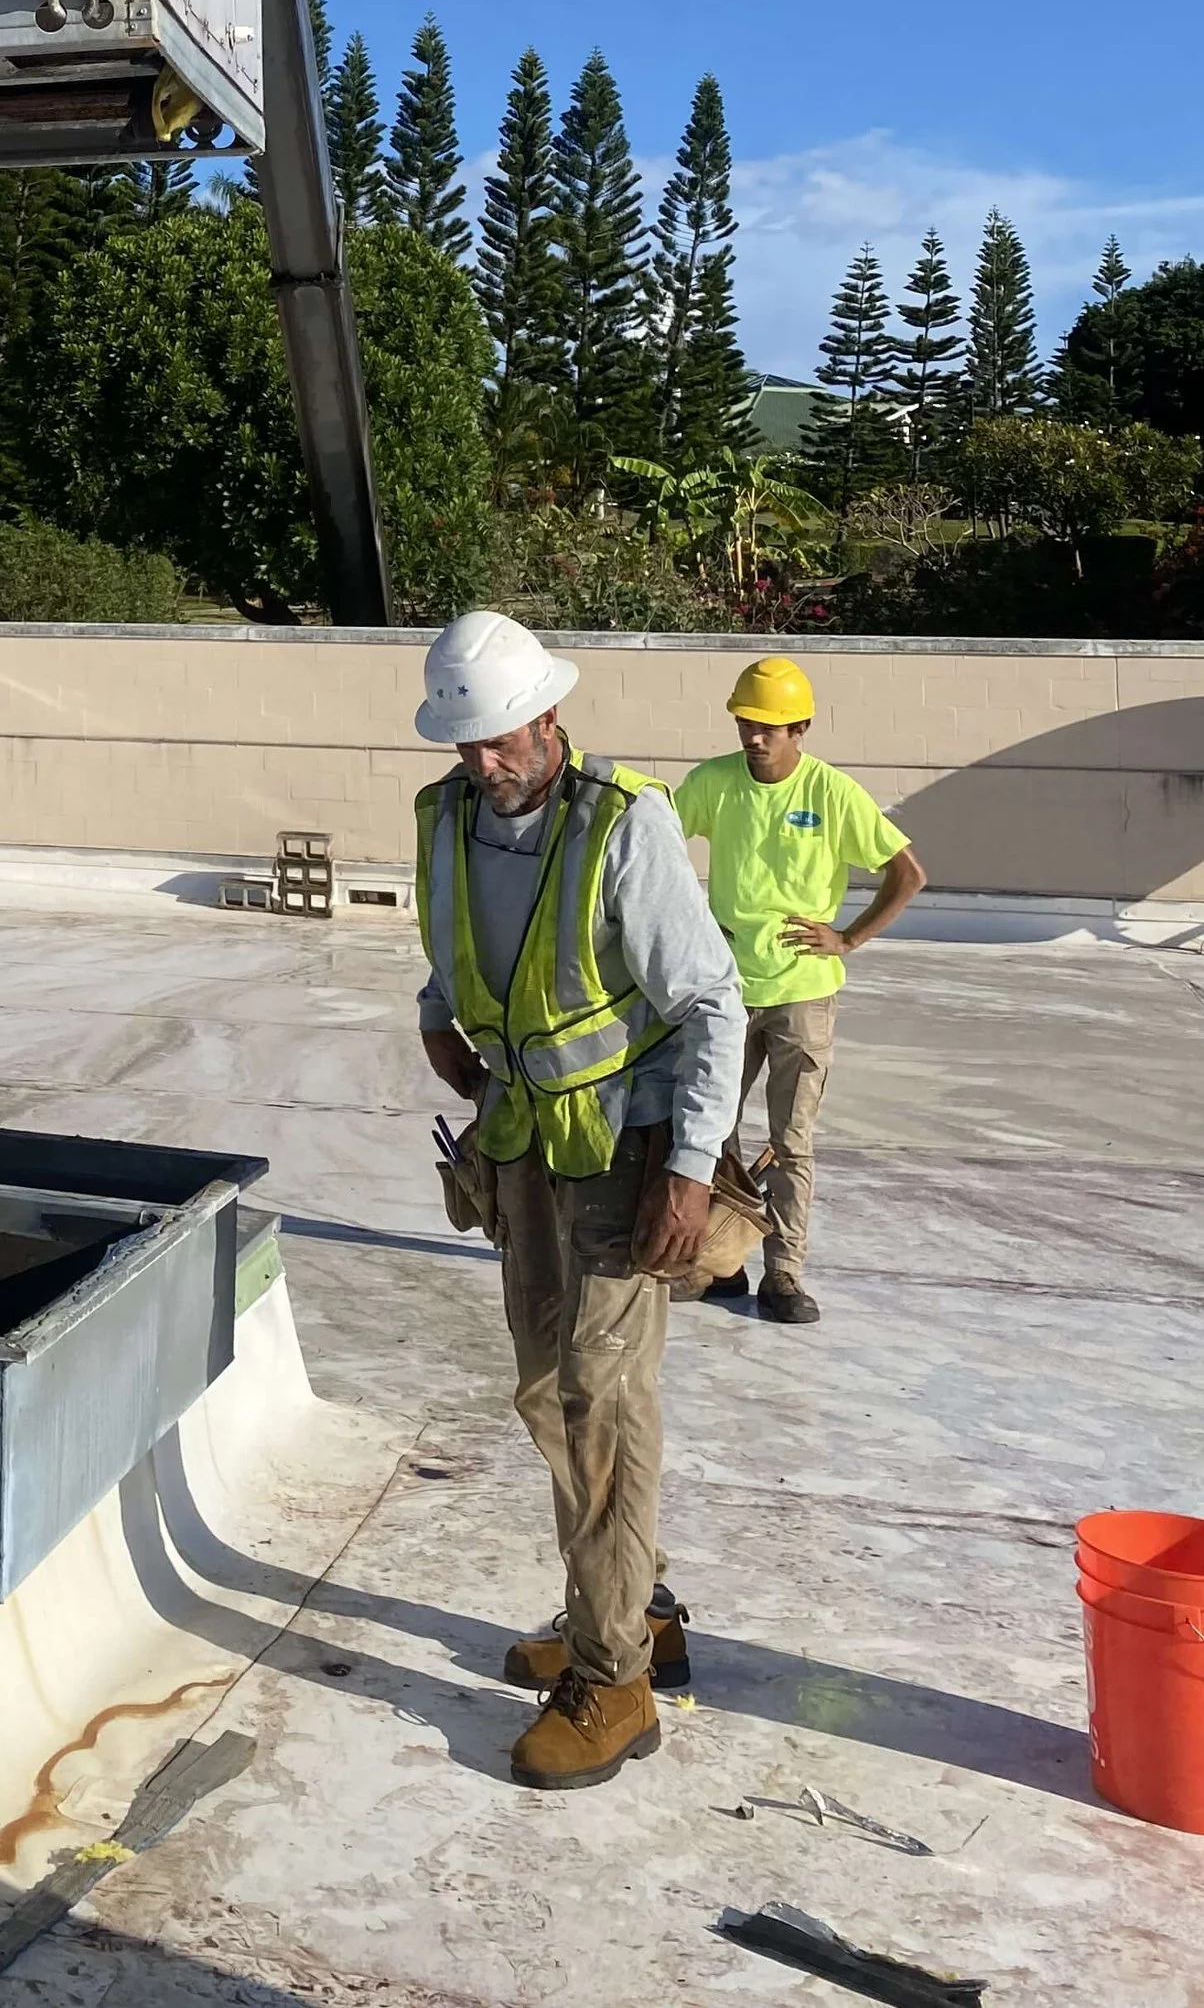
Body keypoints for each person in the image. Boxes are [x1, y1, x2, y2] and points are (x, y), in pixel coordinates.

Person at [414, 610, 746, 1791]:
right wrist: (434, 1016)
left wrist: (695, 1168)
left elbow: (712, 1003)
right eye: (466, 746)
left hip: (626, 1150)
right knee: (548, 1392)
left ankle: (614, 1682)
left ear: (549, 717)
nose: (483, 764)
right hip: (520, 1141)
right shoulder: (448, 817)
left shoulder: (622, 827)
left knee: (599, 1396)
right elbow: (455, 942)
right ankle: (631, 1605)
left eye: (500, 740)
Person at [675, 656, 926, 1326]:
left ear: (801, 727)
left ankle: (782, 1273)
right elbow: (655, 841)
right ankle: (719, 1263)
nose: (754, 736)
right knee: (709, 1129)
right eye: (746, 722)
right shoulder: (713, 783)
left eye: (770, 726)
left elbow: (907, 873)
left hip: (803, 994)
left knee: (791, 1140)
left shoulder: (832, 793)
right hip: (726, 990)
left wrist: (846, 937)